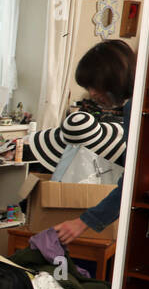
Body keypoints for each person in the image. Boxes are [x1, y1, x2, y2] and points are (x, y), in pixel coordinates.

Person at [27, 39, 136, 245]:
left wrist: (84, 221)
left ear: (114, 77)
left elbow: (132, 180)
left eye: (95, 85)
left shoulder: (134, 108)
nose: (92, 94)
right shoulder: (137, 103)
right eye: (88, 87)